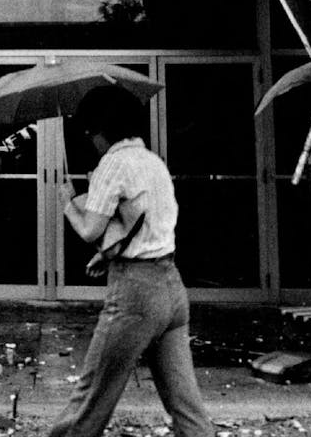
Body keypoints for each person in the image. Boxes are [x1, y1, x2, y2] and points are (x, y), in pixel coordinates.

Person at [50, 85, 209, 437]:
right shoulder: (153, 162)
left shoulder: (113, 162)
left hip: (136, 293)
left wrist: (67, 204)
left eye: (90, 133)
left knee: (90, 397)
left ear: (100, 130)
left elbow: (91, 229)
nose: (91, 140)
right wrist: (107, 255)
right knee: (186, 404)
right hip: (172, 287)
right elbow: (143, 226)